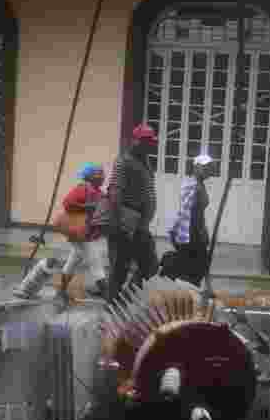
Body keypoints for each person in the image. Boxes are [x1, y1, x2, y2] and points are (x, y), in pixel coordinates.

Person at [104, 123, 159, 305]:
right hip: (125, 223)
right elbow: (115, 192)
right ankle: (112, 306)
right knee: (120, 268)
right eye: (146, 141)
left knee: (150, 266)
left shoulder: (145, 160)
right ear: (135, 142)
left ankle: (124, 299)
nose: (150, 144)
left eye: (151, 141)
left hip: (140, 224)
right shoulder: (124, 161)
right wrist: (116, 222)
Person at [55, 163, 108, 302]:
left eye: (102, 174)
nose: (102, 176)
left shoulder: (99, 192)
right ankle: (107, 294)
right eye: (98, 174)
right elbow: (67, 203)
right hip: (82, 234)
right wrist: (86, 207)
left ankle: (61, 291)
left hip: (86, 233)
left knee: (73, 261)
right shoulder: (82, 188)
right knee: (95, 263)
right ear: (89, 176)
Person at [165, 153, 214, 286]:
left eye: (210, 167)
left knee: (197, 268)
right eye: (205, 167)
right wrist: (200, 233)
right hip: (189, 234)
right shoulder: (193, 185)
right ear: (196, 167)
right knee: (194, 269)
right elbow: (187, 212)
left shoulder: (199, 184)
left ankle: (191, 293)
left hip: (194, 232)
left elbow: (197, 213)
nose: (209, 170)